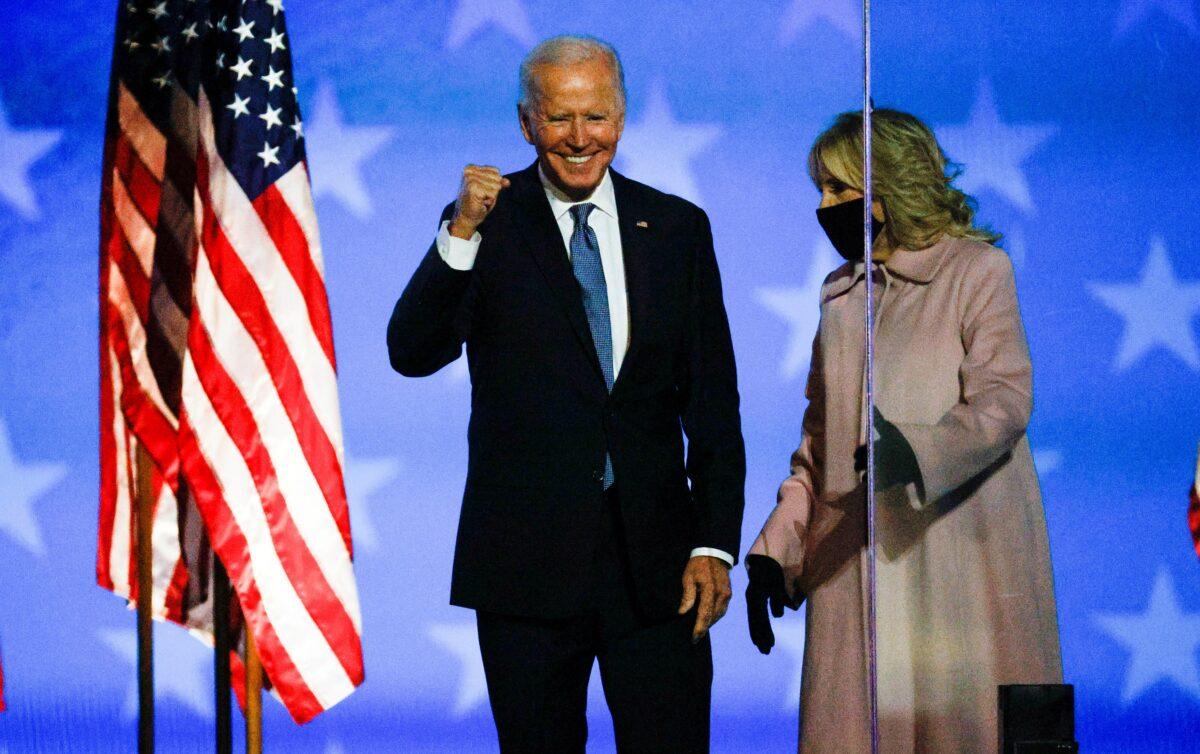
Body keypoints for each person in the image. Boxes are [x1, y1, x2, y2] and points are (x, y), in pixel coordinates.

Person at [387, 35, 745, 753]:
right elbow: (412, 353)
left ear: (620, 117)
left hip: (657, 566)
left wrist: (713, 541)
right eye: (559, 120)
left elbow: (711, 402)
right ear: (526, 124)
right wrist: (460, 232)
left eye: (597, 117)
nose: (579, 139)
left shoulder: (675, 228)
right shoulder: (487, 223)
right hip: (525, 564)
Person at [744, 109, 1062, 752]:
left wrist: (913, 453)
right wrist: (775, 553)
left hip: (955, 560)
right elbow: (818, 445)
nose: (826, 206)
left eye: (838, 188)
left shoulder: (977, 271)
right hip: (854, 568)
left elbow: (1004, 401)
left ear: (886, 187)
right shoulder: (841, 296)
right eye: (821, 191)